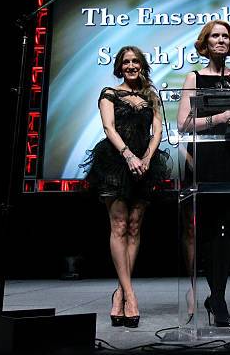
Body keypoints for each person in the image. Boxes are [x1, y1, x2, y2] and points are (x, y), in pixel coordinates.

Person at [80, 46, 169, 327]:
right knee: (118, 226)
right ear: (119, 66)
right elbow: (109, 128)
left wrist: (146, 157)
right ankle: (130, 295)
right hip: (116, 163)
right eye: (126, 62)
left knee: (134, 227)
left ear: (142, 65)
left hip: (144, 164)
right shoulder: (109, 92)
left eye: (136, 61)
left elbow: (158, 132)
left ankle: (119, 292)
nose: (131, 65)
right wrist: (129, 156)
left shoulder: (152, 96)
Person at [177, 20, 230, 327]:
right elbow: (182, 124)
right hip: (203, 159)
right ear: (205, 43)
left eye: (225, 36)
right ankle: (213, 297)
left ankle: (217, 297)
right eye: (215, 36)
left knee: (226, 229)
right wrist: (219, 117)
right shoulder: (193, 77)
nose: (220, 40)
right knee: (206, 230)